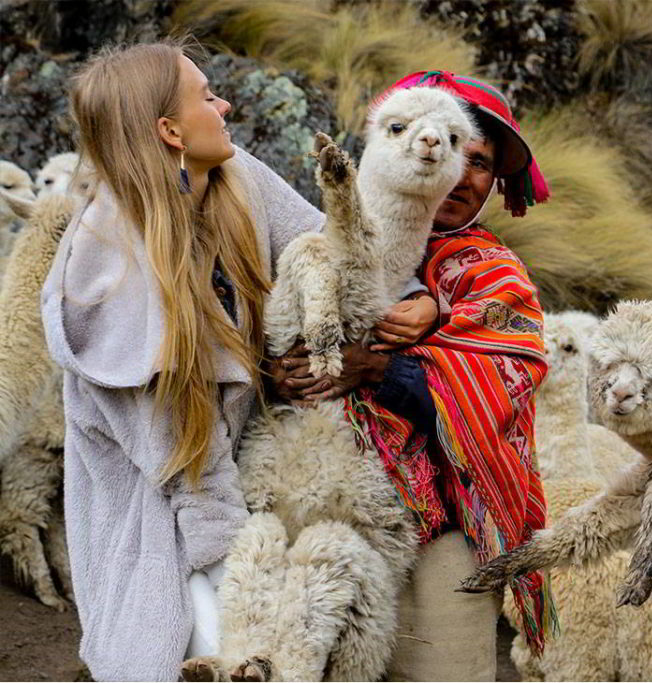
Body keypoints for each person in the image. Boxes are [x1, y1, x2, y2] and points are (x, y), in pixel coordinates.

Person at [40, 42, 436, 681]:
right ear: (170, 131)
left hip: (242, 475)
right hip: (163, 506)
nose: (223, 105)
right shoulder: (107, 273)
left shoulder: (237, 176)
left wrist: (417, 303)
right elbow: (180, 462)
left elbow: (326, 248)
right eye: (205, 96)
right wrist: (246, 576)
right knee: (203, 651)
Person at [271, 70, 555, 681]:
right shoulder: (313, 236)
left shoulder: (494, 276)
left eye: (479, 161)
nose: (466, 171)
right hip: (307, 488)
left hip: (439, 522)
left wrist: (379, 367)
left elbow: (505, 385)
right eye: (461, 151)